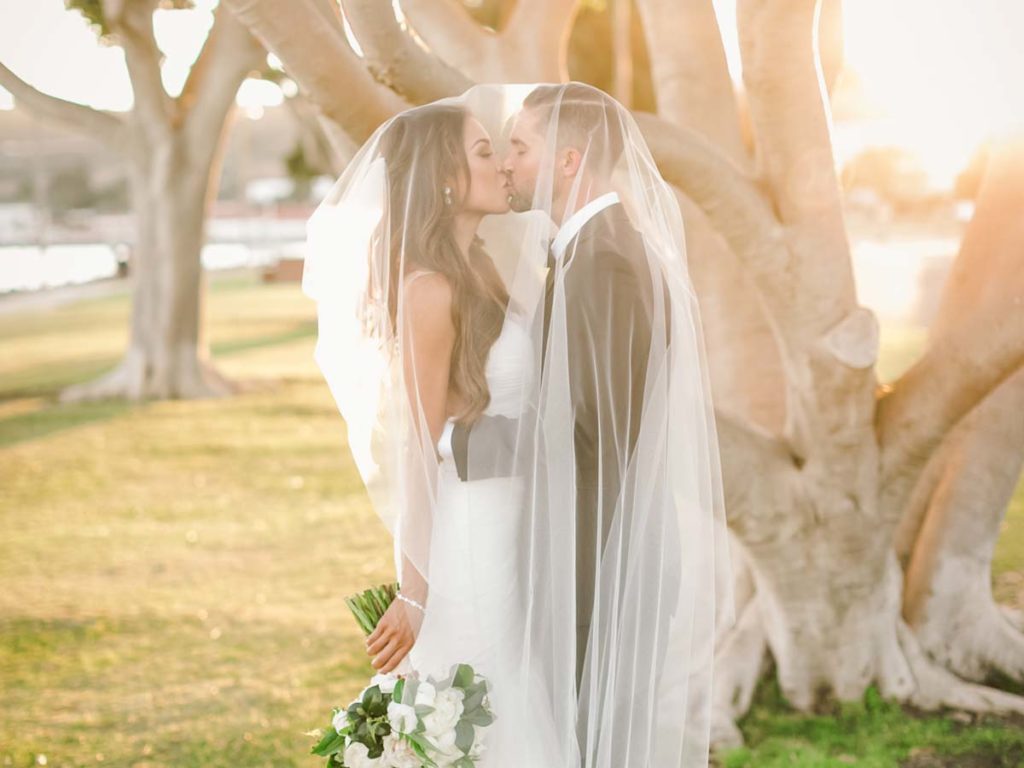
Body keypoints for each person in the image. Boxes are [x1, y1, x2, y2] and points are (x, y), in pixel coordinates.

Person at [303, 83, 734, 767]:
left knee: (528, 712)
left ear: (566, 160)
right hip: (481, 534)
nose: (504, 163)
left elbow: (587, 426)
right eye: (487, 150)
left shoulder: (535, 266)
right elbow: (422, 443)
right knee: (502, 704)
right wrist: (416, 590)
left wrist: (464, 441)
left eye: (514, 147)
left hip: (563, 540)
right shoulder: (433, 286)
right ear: (445, 179)